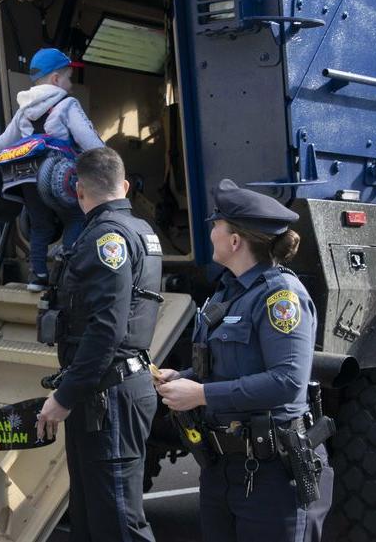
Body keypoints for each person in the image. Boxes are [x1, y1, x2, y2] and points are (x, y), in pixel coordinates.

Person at [154, 179, 334, 542]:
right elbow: (228, 367)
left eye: (216, 225)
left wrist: (202, 395)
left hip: (272, 473)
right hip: (223, 467)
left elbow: (287, 382)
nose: (212, 232)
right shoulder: (229, 292)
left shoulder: (281, 297)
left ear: (235, 241)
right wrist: (183, 377)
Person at [36, 147, 163, 542]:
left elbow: (106, 329)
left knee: (116, 521)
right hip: (112, 390)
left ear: (77, 190)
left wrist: (65, 396)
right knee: (92, 518)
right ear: (124, 186)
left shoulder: (106, 238)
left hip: (107, 397)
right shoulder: (139, 229)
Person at [0, 47, 105, 291]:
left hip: (24, 176)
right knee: (76, 218)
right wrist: (109, 160)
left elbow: (2, 142)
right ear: (56, 79)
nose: (70, 84)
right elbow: (89, 141)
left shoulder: (24, 109)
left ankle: (37, 276)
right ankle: (66, 274)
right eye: (69, 78)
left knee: (41, 225)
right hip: (56, 175)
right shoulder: (66, 103)